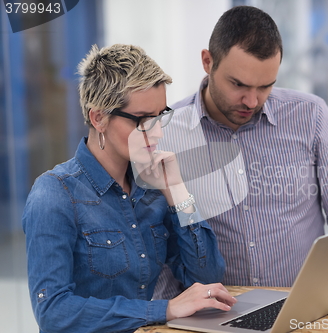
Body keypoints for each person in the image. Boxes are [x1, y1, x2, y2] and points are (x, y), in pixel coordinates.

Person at [154, 6, 328, 300]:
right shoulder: (165, 133)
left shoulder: (311, 116)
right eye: (238, 85)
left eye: (265, 86)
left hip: (302, 303)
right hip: (215, 309)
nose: (252, 100)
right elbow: (157, 239)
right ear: (208, 62)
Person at [22, 44, 236, 333]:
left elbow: (206, 276)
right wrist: (165, 309)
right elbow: (53, 311)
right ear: (98, 118)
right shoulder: (54, 194)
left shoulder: (152, 190)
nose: (158, 132)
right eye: (143, 120)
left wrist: (176, 190)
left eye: (160, 116)